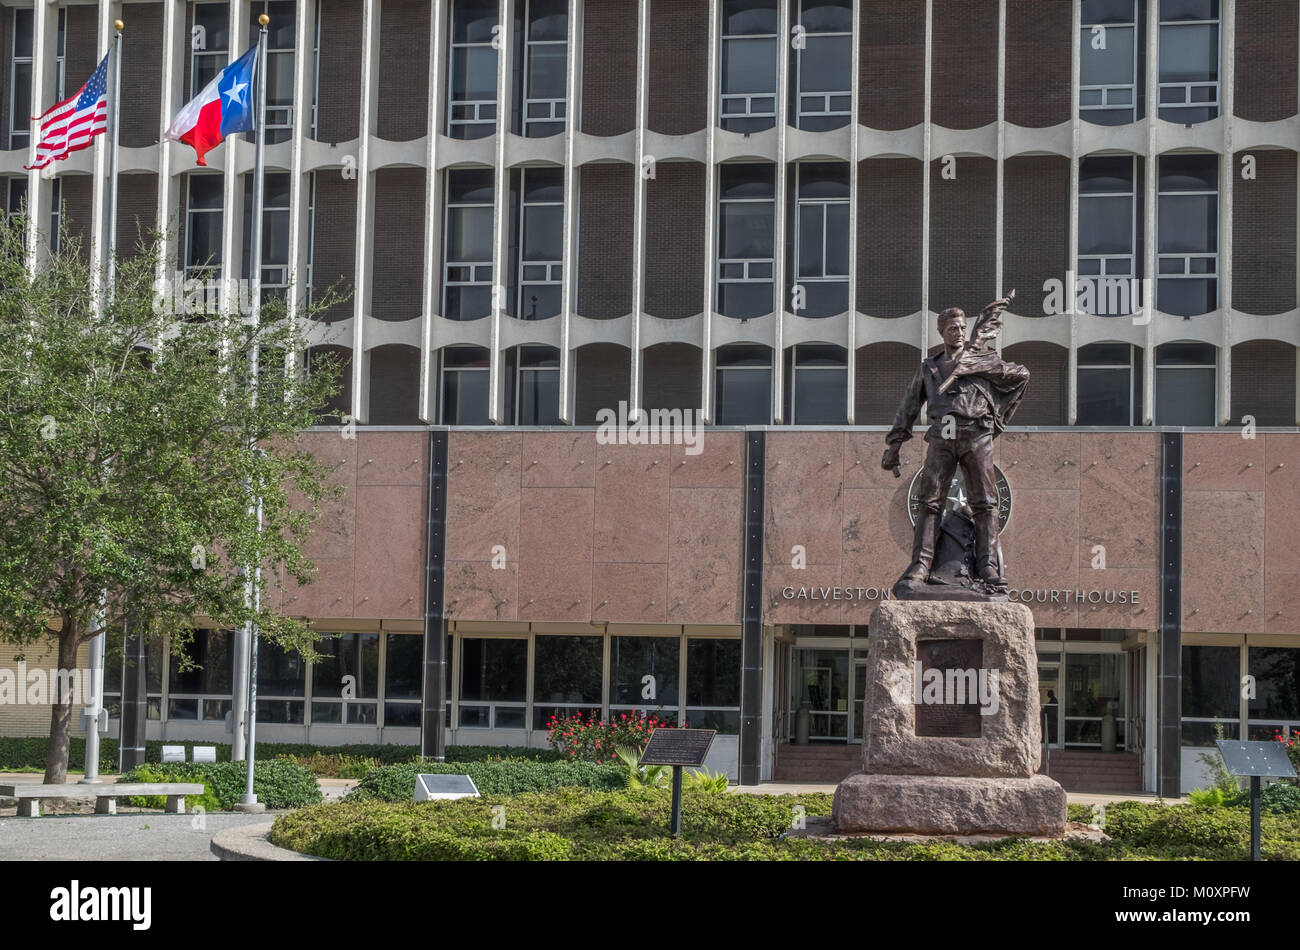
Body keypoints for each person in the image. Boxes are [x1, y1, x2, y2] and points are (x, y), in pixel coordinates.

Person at [881, 300, 1028, 591]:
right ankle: (921, 565)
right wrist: (895, 444)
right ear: (942, 333)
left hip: (977, 435)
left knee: (986, 503)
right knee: (929, 501)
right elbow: (909, 406)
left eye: (962, 328)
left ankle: (988, 566)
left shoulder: (983, 358)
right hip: (942, 437)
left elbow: (1021, 375)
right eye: (952, 328)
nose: (958, 333)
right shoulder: (930, 367)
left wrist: (984, 367)